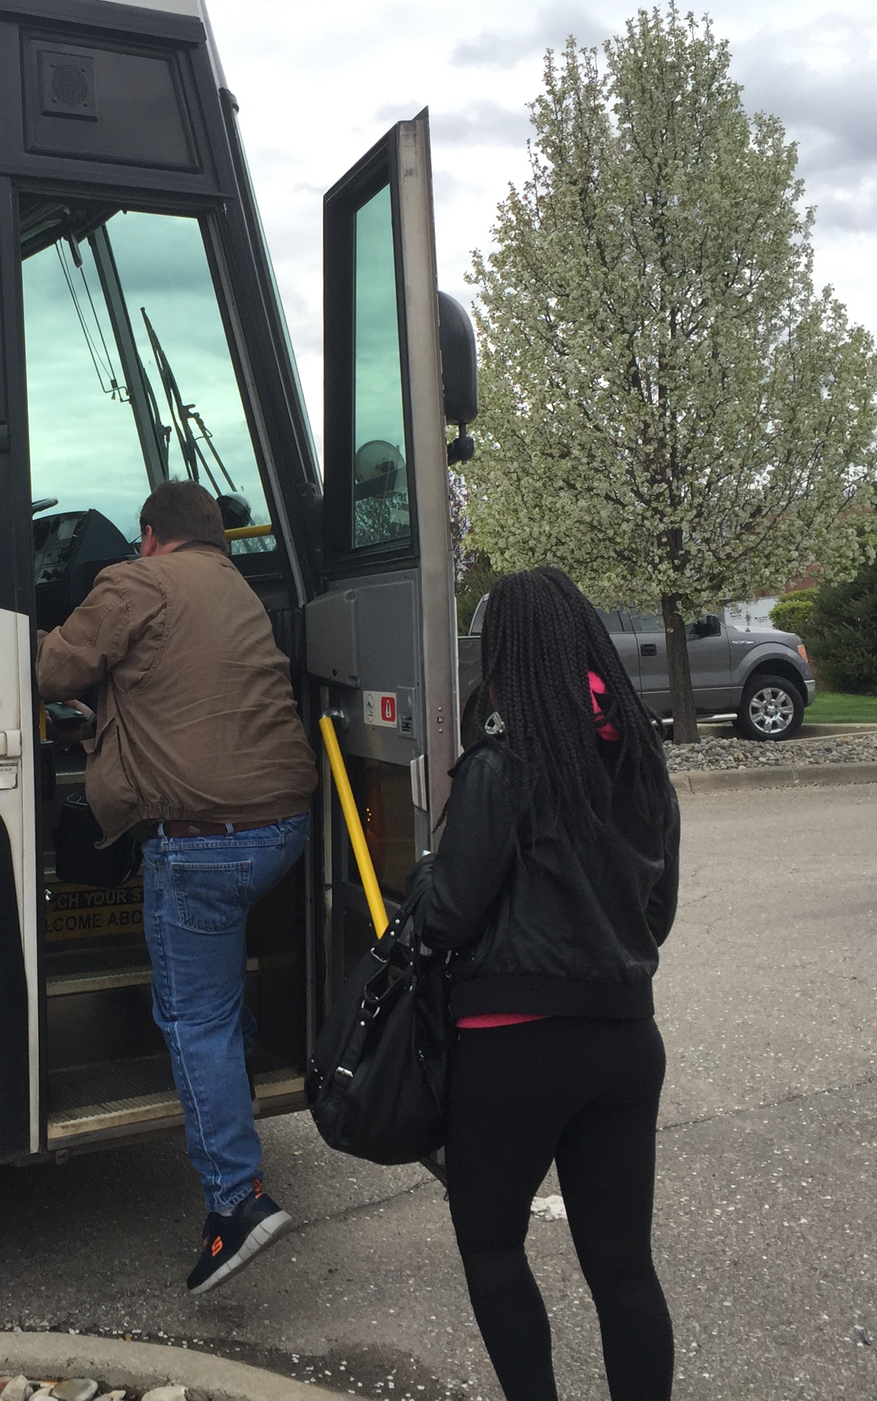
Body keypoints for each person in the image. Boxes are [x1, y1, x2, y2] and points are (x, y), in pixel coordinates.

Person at [36, 479, 316, 1295]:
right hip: (281, 830)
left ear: (150, 535)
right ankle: (232, 1077)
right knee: (217, 1003)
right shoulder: (235, 589)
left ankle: (237, 1203)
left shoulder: (134, 581)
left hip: (205, 847)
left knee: (193, 1017)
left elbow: (55, 668)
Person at [407, 566, 679, 1401]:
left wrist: (421, 879)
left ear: (504, 658)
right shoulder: (642, 763)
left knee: (492, 1247)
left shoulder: (503, 764)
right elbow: (654, 914)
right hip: (626, 1038)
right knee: (624, 1270)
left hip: (511, 1043)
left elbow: (449, 914)